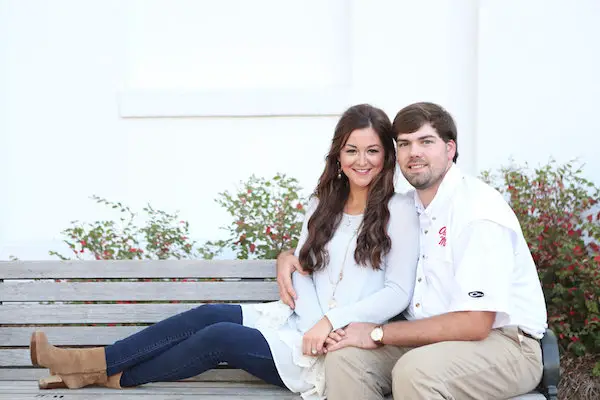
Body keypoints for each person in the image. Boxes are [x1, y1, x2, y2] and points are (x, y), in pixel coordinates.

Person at [29, 104, 420, 399]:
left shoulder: (399, 211)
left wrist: (329, 324)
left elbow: (397, 292)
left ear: (386, 156)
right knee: (210, 314)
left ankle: (98, 372)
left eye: (372, 151)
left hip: (332, 348)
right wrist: (312, 320)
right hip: (302, 325)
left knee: (220, 337)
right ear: (338, 154)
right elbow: (303, 271)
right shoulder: (322, 204)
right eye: (352, 150)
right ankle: (92, 365)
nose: (361, 161)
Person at [276, 102, 548, 400]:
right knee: (346, 360)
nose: (414, 152)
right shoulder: (413, 207)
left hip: (505, 344)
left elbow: (476, 322)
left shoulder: (476, 211)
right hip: (431, 340)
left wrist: (378, 333)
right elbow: (344, 236)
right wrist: (289, 256)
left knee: (415, 371)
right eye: (404, 143)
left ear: (450, 148)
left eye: (426, 141)